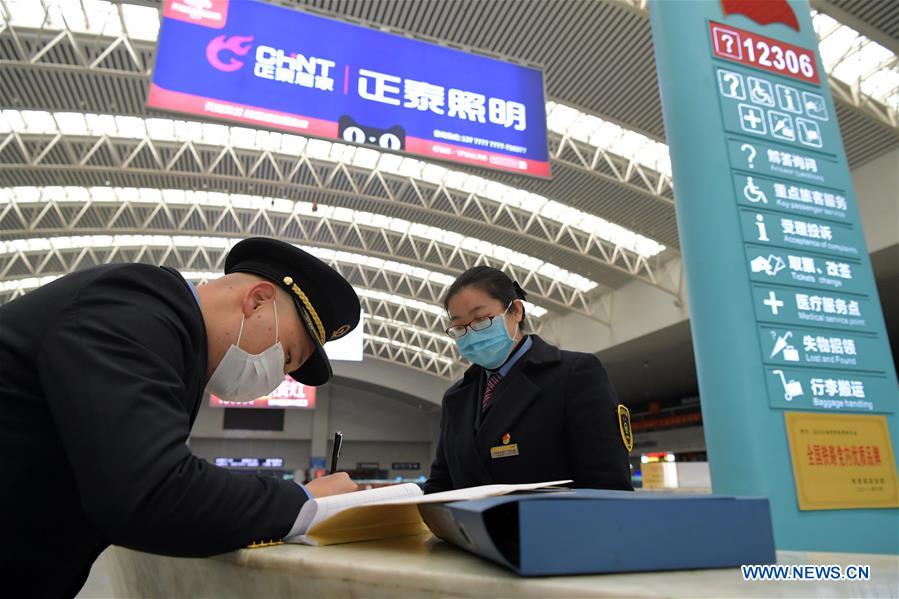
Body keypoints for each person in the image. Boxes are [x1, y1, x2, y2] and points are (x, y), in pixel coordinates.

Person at [0, 237, 361, 597]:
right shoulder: (133, 311)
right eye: (286, 357)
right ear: (258, 301)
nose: (276, 378)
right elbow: (150, 493)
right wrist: (303, 501)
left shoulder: (170, 343)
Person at [424, 266, 633, 494]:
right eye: (459, 327)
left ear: (516, 310)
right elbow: (441, 483)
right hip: (466, 529)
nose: (471, 333)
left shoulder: (574, 375)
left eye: (481, 320)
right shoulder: (456, 398)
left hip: (550, 528)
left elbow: (607, 485)